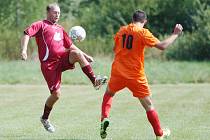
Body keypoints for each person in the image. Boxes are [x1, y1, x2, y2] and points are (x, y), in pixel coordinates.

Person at [20, 3, 107, 133]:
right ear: (48, 12)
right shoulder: (41, 25)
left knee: (76, 54)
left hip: (62, 60)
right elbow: (26, 33)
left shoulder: (60, 29)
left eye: (59, 13)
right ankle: (45, 118)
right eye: (55, 12)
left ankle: (95, 81)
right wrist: (24, 50)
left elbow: (71, 46)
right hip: (49, 65)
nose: (57, 15)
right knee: (56, 95)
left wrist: (85, 55)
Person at [100, 10, 183, 140]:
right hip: (135, 75)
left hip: (118, 72)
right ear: (145, 21)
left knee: (109, 93)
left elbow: (114, 49)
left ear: (132, 19)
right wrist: (175, 34)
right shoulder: (143, 32)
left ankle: (104, 118)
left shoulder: (122, 30)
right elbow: (162, 46)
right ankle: (159, 134)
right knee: (149, 105)